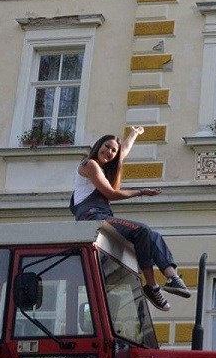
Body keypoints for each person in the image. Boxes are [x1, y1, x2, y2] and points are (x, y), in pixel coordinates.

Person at [70, 126, 191, 311]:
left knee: (153, 236)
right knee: (141, 230)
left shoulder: (105, 166)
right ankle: (152, 287)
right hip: (92, 218)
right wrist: (141, 192)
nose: (109, 152)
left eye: (113, 150)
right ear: (98, 145)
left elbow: (123, 151)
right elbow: (110, 193)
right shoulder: (89, 165)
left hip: (102, 217)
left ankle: (173, 278)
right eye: (107, 146)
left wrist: (134, 133)